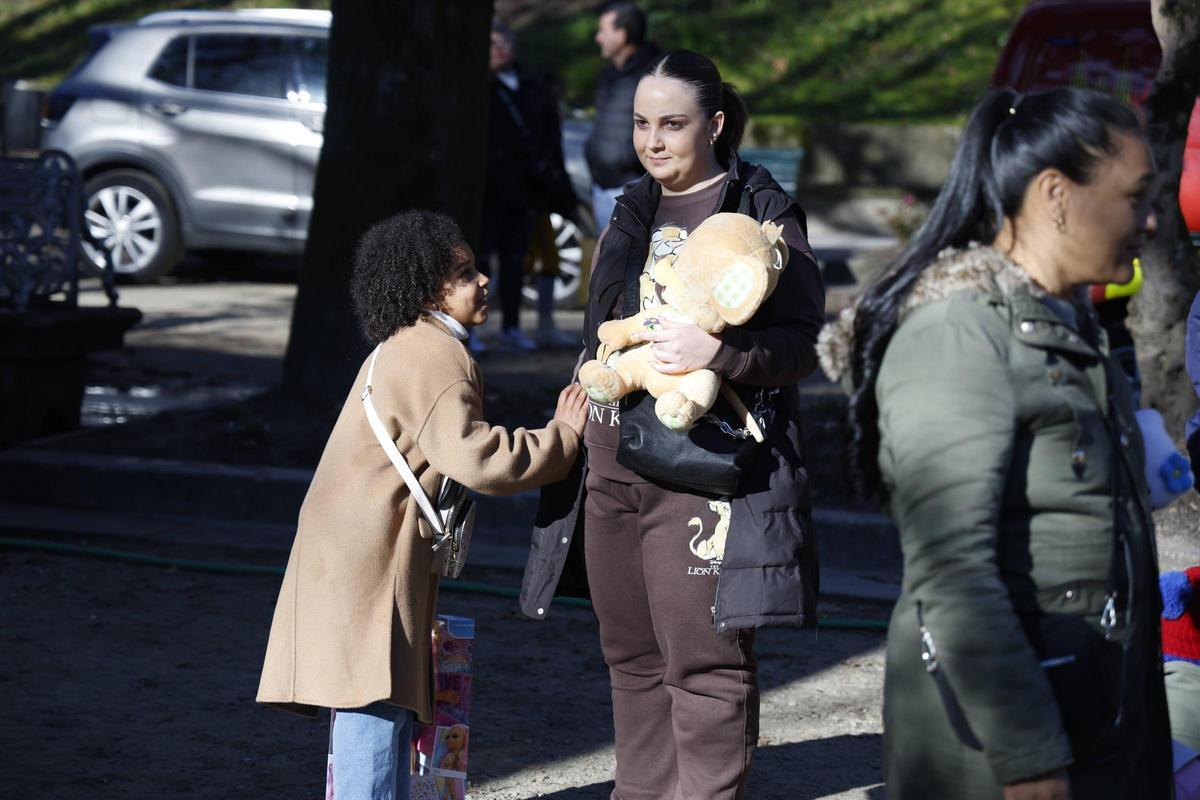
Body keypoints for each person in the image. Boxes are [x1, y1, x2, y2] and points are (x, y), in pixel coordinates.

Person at [818, 87, 1171, 798]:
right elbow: (953, 571)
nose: (1152, 220)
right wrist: (1028, 757)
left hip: (1097, 728)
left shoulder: (1065, 327)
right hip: (1002, 757)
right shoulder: (957, 334)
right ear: (1055, 194)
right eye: (1136, 197)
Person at [521, 51, 826, 799]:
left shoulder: (761, 212)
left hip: (705, 472)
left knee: (705, 664)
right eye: (641, 124)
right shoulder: (632, 207)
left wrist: (722, 353)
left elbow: (802, 347)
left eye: (672, 124)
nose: (652, 141)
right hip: (610, 465)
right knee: (630, 656)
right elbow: (605, 331)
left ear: (715, 124)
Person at [256, 210, 588, 799]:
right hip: (372, 553)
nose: (483, 281)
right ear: (430, 287)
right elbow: (476, 458)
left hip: (354, 544)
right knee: (374, 696)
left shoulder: (404, 345)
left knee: (370, 695)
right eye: (464, 274)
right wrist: (561, 439)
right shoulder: (433, 353)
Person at [481, 19, 578, 353]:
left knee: (516, 259)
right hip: (488, 188)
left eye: (504, 41)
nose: (499, 48)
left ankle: (513, 327)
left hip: (526, 189)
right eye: (492, 42)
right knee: (482, 257)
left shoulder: (532, 86)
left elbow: (550, 138)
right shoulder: (477, 86)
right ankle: (473, 329)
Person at [586, 2, 659, 234]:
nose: (598, 38)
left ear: (622, 34)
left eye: (603, 31)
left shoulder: (654, 74)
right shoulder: (608, 75)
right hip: (601, 189)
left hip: (634, 188)